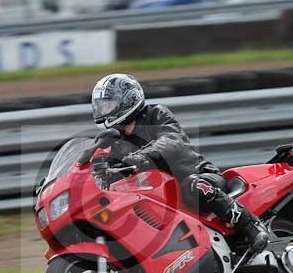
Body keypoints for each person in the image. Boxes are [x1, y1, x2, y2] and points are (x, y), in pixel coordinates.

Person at [91, 73, 269, 254]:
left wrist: (142, 156)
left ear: (128, 100)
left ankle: (251, 226)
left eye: (108, 104)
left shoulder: (156, 115)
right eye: (101, 105)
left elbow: (171, 140)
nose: (103, 109)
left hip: (200, 176)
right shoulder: (117, 144)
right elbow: (105, 173)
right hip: (163, 195)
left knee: (193, 186)